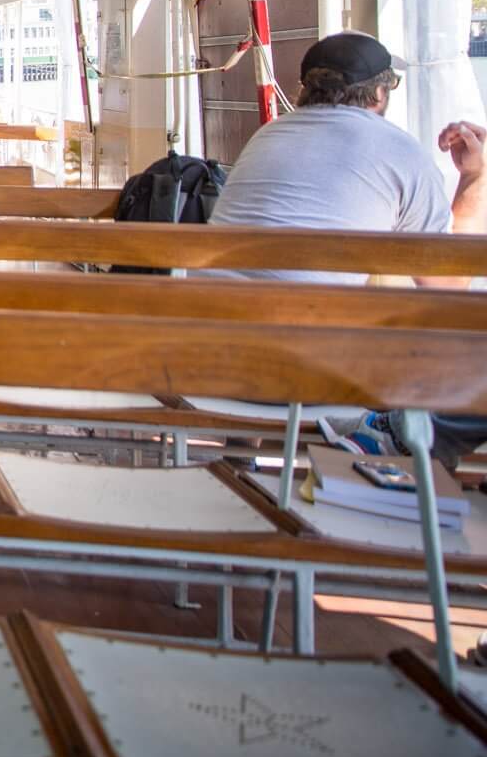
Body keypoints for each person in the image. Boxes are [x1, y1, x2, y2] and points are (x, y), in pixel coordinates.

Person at [197, 33, 486, 466]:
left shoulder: (267, 136)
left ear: (305, 88)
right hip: (305, 379)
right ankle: (381, 449)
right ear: (381, 93)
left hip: (203, 363)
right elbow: (448, 287)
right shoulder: (400, 150)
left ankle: (242, 461)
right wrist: (474, 178)